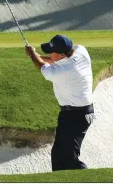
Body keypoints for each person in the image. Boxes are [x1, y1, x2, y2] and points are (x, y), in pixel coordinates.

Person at [24, 34, 95, 171]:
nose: (49, 53)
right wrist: (35, 55)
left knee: (69, 159)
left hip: (75, 116)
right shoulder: (81, 51)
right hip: (82, 113)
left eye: (52, 52)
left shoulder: (62, 71)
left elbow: (42, 66)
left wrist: (33, 54)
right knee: (58, 155)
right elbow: (54, 61)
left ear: (62, 55)